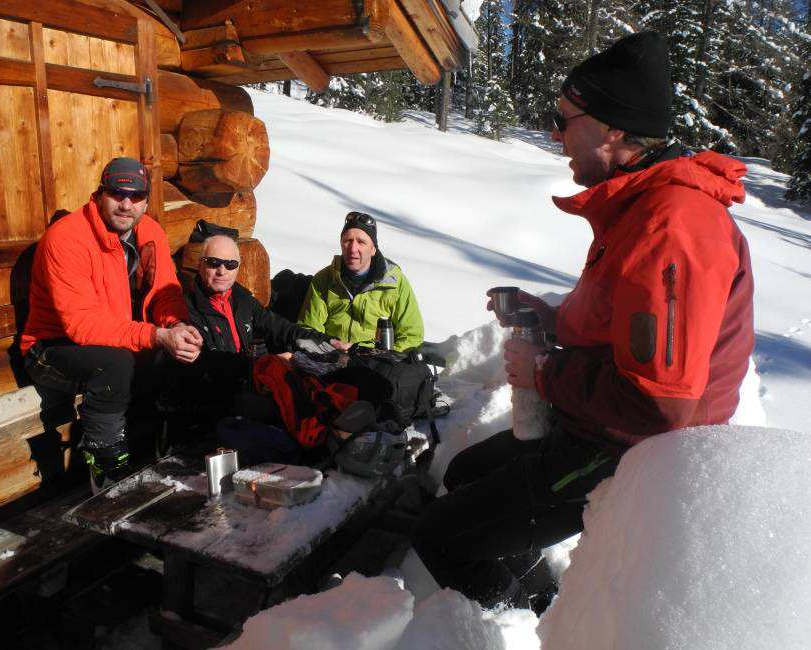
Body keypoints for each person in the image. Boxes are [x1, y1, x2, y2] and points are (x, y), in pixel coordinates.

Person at [411, 31, 755, 609]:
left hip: (627, 449)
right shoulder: (636, 209)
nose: (553, 132)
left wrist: (543, 372)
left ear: (615, 129)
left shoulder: (671, 226)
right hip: (594, 424)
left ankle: (522, 631)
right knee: (467, 474)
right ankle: (538, 600)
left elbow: (658, 405)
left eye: (564, 118)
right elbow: (613, 323)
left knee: (440, 536)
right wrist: (547, 318)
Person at [21, 157, 203, 491]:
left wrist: (176, 326)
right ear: (100, 194)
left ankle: (165, 449)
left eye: (136, 197)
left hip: (112, 338)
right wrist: (155, 334)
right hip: (49, 347)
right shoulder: (68, 238)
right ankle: (107, 469)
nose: (126, 204)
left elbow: (166, 292)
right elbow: (82, 325)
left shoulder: (150, 232)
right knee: (115, 363)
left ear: (146, 201)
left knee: (178, 353)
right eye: (117, 193)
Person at [181, 233, 340, 415]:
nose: (222, 271)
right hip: (212, 403)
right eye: (213, 262)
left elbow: (282, 328)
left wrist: (331, 342)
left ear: (238, 268)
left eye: (230, 264)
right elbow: (208, 361)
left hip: (247, 388)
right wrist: (269, 363)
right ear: (200, 264)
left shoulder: (242, 300)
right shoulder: (188, 308)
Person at [299, 212, 424, 352]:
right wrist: (330, 348)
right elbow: (308, 329)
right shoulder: (324, 279)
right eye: (348, 241)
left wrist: (371, 354)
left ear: (373, 249)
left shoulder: (395, 283)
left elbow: (411, 336)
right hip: (330, 357)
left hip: (375, 363)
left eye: (361, 242)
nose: (353, 249)